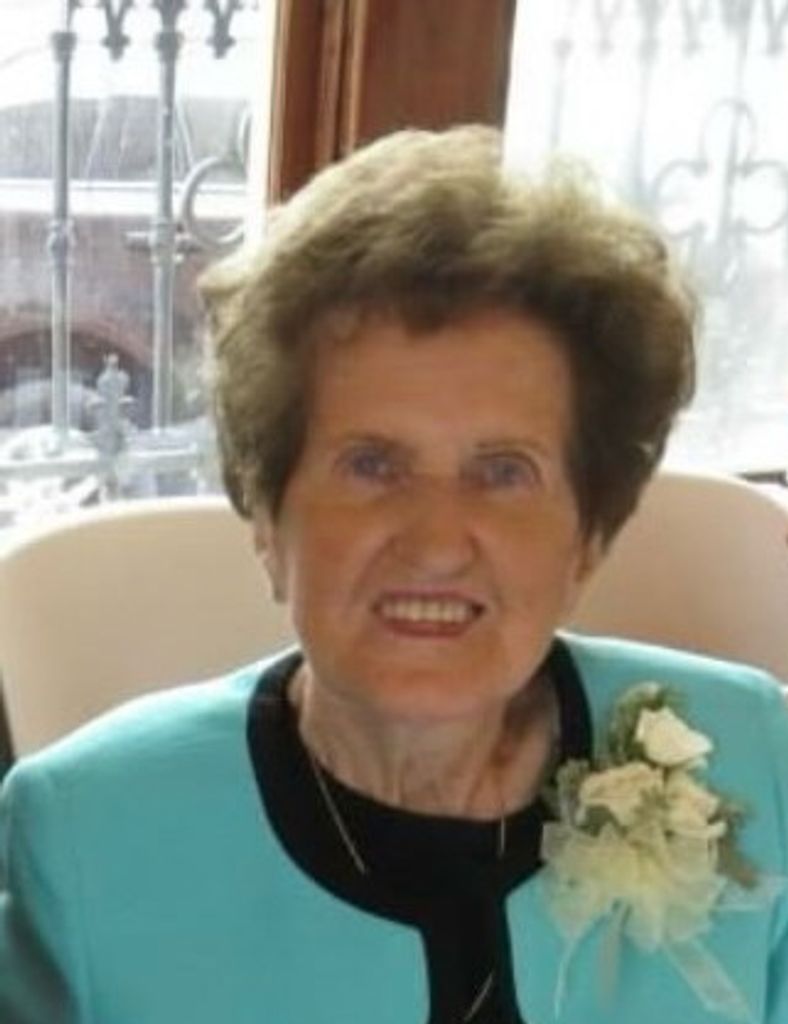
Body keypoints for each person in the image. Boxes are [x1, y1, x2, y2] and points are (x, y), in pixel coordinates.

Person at [1, 126, 786, 1024]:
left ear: (588, 538)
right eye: (372, 464)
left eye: (504, 471)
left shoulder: (754, 755)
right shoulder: (86, 835)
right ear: (267, 518)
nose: (436, 541)